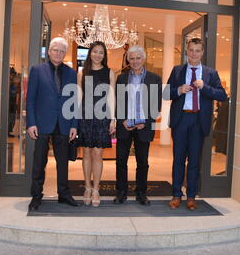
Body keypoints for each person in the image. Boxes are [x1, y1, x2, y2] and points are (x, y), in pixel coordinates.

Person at [165, 38, 227, 210]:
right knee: (178, 160)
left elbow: (222, 95)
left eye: (197, 50)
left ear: (202, 53)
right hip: (181, 120)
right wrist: (178, 90)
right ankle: (176, 195)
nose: (194, 54)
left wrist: (205, 87)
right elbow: (165, 94)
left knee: (194, 161)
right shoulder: (177, 71)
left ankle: (191, 196)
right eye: (191, 50)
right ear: (187, 51)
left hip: (199, 121)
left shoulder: (210, 73)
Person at [26, 37, 79, 210]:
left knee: (62, 162)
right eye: (55, 50)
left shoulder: (71, 73)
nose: (58, 53)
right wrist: (31, 123)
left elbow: (73, 101)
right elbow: (31, 100)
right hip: (42, 124)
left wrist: (73, 125)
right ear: (49, 51)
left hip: (63, 123)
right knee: (39, 162)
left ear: (65, 53)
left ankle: (63, 194)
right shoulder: (37, 70)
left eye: (62, 51)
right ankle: (36, 196)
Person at [114, 46, 162, 205]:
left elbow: (156, 106)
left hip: (144, 126)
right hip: (125, 125)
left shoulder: (154, 78)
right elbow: (118, 101)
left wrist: (146, 122)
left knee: (143, 162)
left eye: (138, 58)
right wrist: (122, 120)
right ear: (128, 60)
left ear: (144, 59)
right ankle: (121, 192)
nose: (135, 61)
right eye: (132, 58)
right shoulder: (121, 78)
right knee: (121, 161)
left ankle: (141, 192)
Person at [77, 41, 116, 207]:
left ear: (104, 55)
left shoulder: (110, 73)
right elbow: (79, 96)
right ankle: (87, 187)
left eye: (101, 52)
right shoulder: (82, 73)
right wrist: (76, 118)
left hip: (102, 117)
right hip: (85, 116)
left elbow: (111, 96)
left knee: (97, 154)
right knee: (86, 153)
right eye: (95, 52)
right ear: (90, 53)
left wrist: (113, 118)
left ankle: (96, 189)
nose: (98, 55)